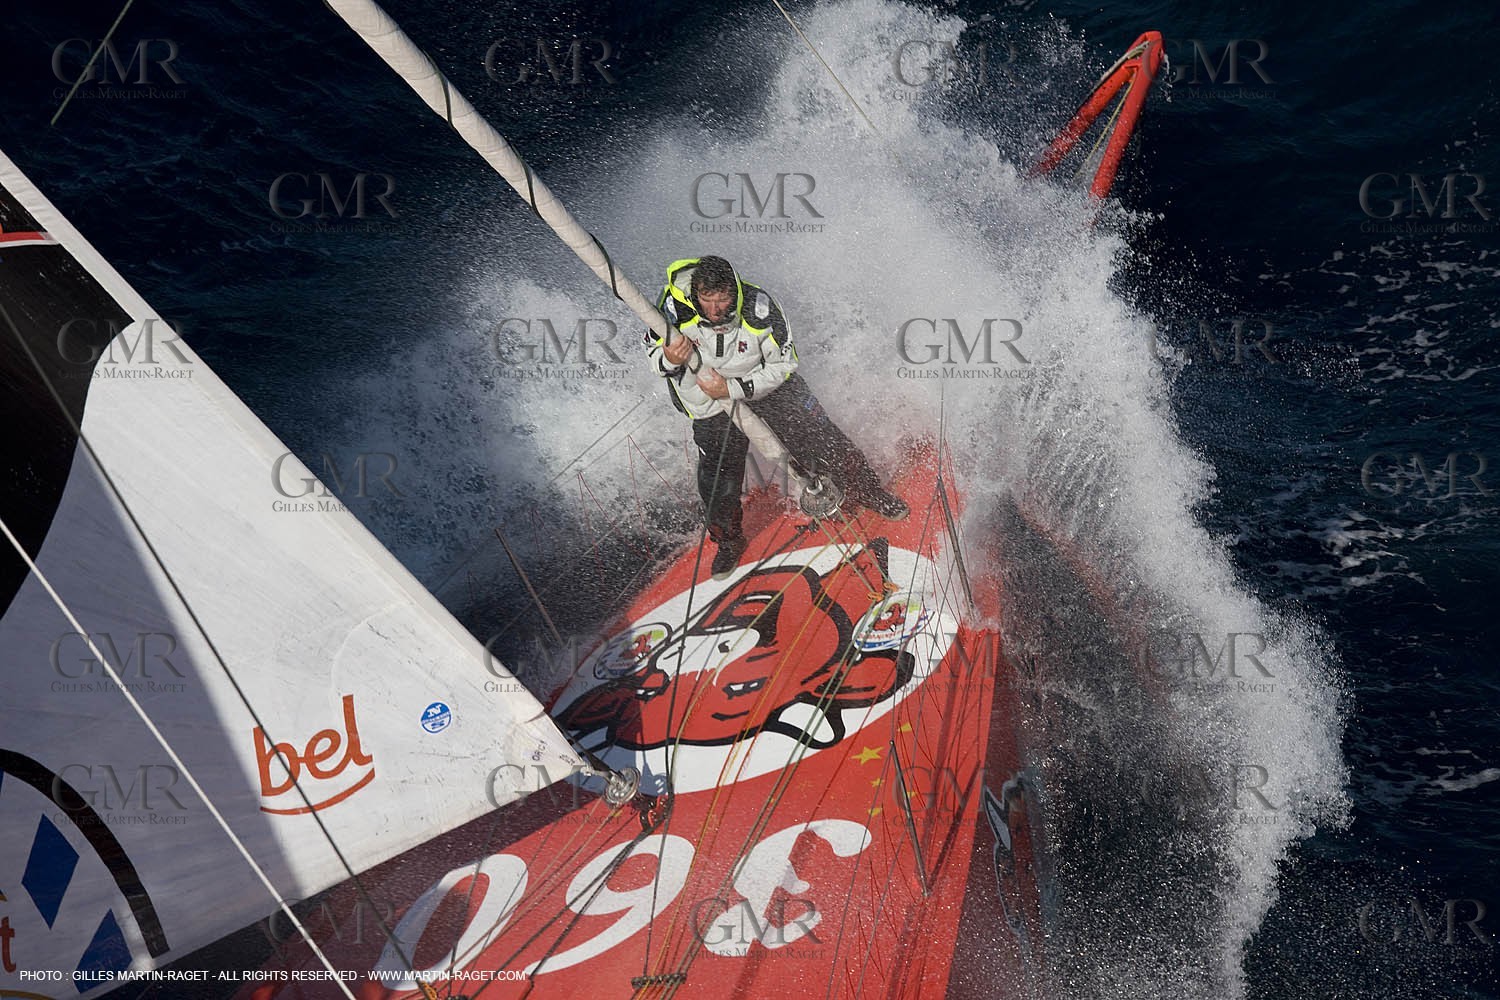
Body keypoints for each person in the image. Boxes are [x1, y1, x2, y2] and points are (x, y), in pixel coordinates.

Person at [643, 255, 908, 578]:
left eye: (722, 300)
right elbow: (655, 361)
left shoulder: (760, 309)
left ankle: (870, 492)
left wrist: (734, 387)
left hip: (762, 383)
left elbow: (785, 365)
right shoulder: (671, 310)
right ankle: (728, 541)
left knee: (820, 436)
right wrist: (670, 358)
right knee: (718, 476)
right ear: (695, 295)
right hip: (707, 401)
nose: (714, 310)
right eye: (706, 300)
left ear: (735, 291)